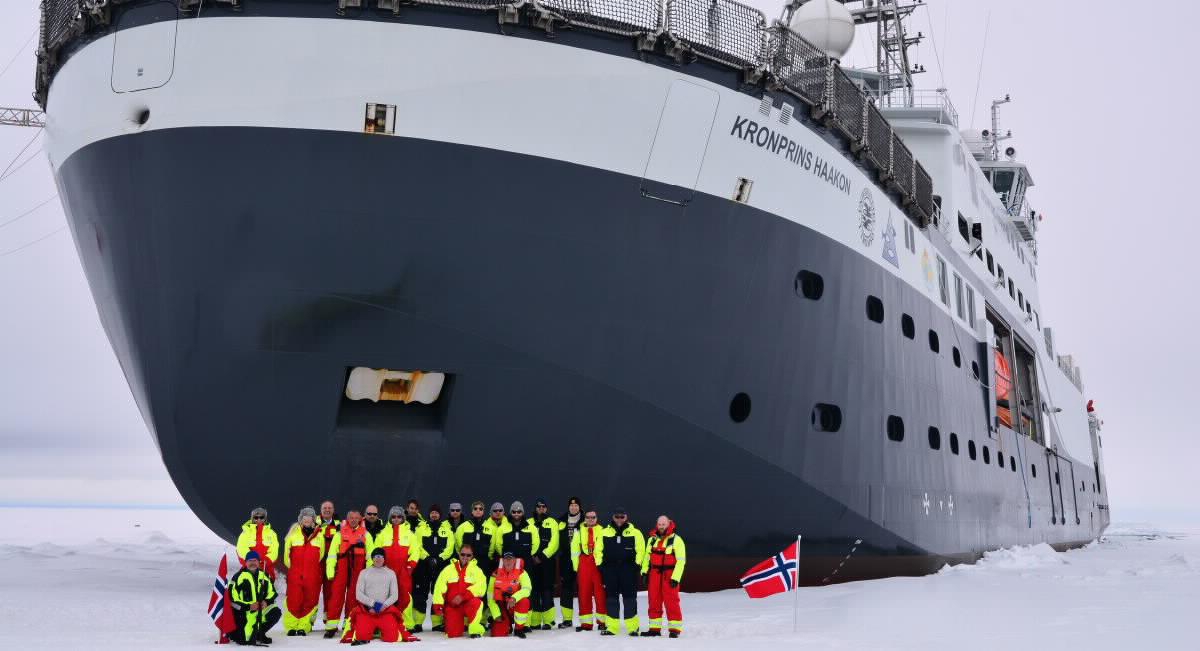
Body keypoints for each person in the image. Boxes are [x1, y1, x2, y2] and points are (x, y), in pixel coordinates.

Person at [346, 548, 418, 645]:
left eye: (380, 556)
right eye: (376, 556)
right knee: (362, 636)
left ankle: (379, 628)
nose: (378, 559)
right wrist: (372, 605)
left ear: (384, 559)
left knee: (392, 638)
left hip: (385, 611)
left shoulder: (390, 573)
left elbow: (394, 595)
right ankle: (371, 628)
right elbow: (359, 594)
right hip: (367, 611)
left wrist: (383, 606)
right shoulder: (364, 573)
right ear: (372, 558)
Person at [324, 509, 374, 638]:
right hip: (341, 568)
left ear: (360, 519)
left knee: (354, 598)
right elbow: (331, 555)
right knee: (336, 596)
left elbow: (370, 556)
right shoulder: (339, 534)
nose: (353, 520)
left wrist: (368, 574)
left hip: (358, 570)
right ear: (347, 519)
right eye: (351, 517)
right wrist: (330, 571)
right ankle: (331, 627)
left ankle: (349, 624)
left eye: (356, 518)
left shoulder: (366, 535)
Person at [600, 507, 645, 636]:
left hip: (628, 570)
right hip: (610, 570)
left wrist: (636, 565)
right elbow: (598, 550)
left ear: (626, 517)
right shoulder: (604, 532)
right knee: (611, 599)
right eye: (617, 516)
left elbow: (641, 550)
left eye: (622, 517)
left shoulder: (635, 533)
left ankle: (632, 627)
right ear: (613, 517)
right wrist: (601, 566)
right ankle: (612, 627)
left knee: (630, 599)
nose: (619, 519)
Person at [641, 515, 686, 638]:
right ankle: (654, 629)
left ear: (668, 524)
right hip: (654, 574)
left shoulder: (677, 540)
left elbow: (681, 561)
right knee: (653, 601)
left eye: (663, 524)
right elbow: (646, 557)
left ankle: (674, 630)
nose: (661, 527)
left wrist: (675, 578)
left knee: (672, 602)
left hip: (669, 575)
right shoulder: (652, 540)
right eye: (659, 524)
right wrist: (644, 572)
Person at [282, 507, 325, 636]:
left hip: (312, 575)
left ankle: (303, 626)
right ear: (301, 519)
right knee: (293, 600)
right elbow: (286, 557)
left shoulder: (320, 536)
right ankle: (291, 626)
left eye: (310, 517)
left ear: (313, 519)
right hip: (295, 574)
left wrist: (312, 570)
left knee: (310, 600)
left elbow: (321, 555)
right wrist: (294, 570)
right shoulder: (292, 535)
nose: (307, 519)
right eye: (305, 517)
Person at [432, 543, 488, 638]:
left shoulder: (477, 571)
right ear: (459, 554)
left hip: (468, 604)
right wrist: (438, 605)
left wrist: (463, 596)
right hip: (453, 606)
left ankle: (475, 630)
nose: (465, 557)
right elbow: (439, 587)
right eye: (463, 554)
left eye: (468, 555)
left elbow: (481, 588)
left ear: (472, 556)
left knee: (477, 603)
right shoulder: (448, 569)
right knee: (453, 634)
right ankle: (461, 625)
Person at [413, 504, 453, 633]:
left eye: (436, 513)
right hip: (424, 565)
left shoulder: (447, 529)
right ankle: (418, 623)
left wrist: (440, 559)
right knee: (420, 594)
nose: (434, 515)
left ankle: (437, 623)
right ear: (429, 514)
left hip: (440, 565)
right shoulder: (421, 528)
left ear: (440, 515)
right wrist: (427, 558)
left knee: (438, 593)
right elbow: (417, 545)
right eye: (432, 513)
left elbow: (450, 546)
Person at [228, 550, 281, 646]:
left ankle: (259, 633)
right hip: (244, 613)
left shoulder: (264, 575)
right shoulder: (238, 577)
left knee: (275, 612)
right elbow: (232, 600)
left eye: (255, 560)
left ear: (258, 562)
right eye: (250, 561)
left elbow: (272, 592)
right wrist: (248, 606)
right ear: (246, 562)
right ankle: (247, 634)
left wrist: (266, 602)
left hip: (261, 609)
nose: (252, 563)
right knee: (245, 641)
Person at [570, 508, 607, 631]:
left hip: (597, 564)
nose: (590, 519)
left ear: (597, 518)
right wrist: (576, 567)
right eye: (588, 517)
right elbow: (574, 550)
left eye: (593, 517)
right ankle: (586, 624)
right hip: (584, 562)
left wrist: (602, 566)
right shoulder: (578, 531)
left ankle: (602, 622)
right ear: (585, 518)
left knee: (600, 594)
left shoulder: (603, 530)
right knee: (584, 594)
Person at [528, 498, 560, 629]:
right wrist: (533, 556)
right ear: (535, 508)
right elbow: (526, 540)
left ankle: (548, 621)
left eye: (543, 506)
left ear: (546, 509)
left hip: (547, 561)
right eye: (539, 506)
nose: (541, 508)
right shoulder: (529, 522)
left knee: (547, 590)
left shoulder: (552, 522)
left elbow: (555, 542)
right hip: (532, 561)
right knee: (534, 590)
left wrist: (542, 556)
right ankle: (535, 621)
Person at [487, 552, 533, 638]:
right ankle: (507, 626)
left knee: (524, 601)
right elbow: (490, 596)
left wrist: (514, 598)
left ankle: (518, 629)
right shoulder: (495, 574)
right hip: (502, 607)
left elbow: (527, 589)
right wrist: (497, 614)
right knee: (497, 634)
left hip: (515, 604)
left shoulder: (522, 573)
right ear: (503, 561)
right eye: (506, 559)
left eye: (510, 559)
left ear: (515, 561)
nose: (508, 561)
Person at [456, 501, 503, 578]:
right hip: (467, 561)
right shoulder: (462, 527)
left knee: (483, 585)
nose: (478, 510)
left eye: (480, 509)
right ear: (472, 511)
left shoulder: (491, 528)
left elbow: (492, 546)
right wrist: (464, 557)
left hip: (484, 562)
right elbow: (458, 545)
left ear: (483, 511)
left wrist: (488, 557)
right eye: (475, 509)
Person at [556, 496, 583, 628]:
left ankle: (586, 620)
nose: (573, 507)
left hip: (582, 559)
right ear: (568, 507)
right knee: (566, 589)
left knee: (584, 589)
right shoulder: (560, 521)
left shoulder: (586, 520)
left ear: (579, 507)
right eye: (571, 505)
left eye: (576, 505)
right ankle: (567, 619)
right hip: (566, 559)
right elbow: (556, 540)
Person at [317, 500, 341, 632]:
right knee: (313, 594)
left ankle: (329, 620)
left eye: (329, 508)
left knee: (330, 594)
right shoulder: (314, 523)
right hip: (316, 564)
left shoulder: (339, 525)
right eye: (324, 508)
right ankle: (307, 622)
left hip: (331, 565)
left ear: (333, 510)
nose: (327, 510)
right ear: (320, 510)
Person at [236, 507, 280, 580]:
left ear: (265, 518)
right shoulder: (245, 533)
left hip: (266, 568)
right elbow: (241, 548)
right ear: (252, 518)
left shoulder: (272, 534)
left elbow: (274, 550)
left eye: (261, 517)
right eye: (256, 517)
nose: (258, 520)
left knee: (267, 589)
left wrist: (266, 560)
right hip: (249, 568)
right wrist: (252, 561)